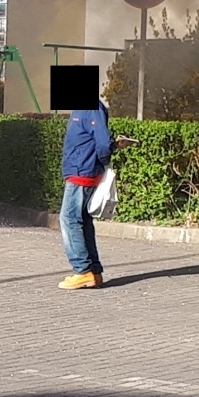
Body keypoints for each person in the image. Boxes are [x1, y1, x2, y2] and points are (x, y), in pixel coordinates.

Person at [58, 99, 128, 290]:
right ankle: (93, 272)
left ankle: (82, 271)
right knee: (82, 219)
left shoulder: (90, 107)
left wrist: (103, 159)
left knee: (69, 219)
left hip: (82, 172)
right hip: (81, 170)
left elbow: (103, 143)